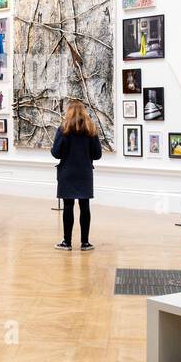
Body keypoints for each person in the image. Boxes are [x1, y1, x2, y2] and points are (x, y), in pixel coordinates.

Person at [51, 101, 103, 251]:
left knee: (68, 206)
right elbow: (97, 154)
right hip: (84, 173)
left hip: (67, 172)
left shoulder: (63, 129)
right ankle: (85, 243)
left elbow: (56, 153)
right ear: (84, 112)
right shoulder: (91, 129)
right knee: (84, 206)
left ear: (69, 112)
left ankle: (67, 242)